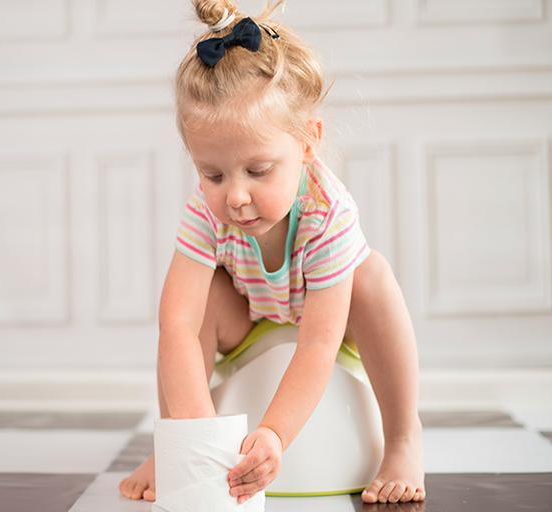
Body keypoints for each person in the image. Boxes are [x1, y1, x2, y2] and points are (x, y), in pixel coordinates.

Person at [119, 0, 425, 505]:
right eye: (212, 174)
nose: (234, 196)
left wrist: (275, 434)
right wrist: (193, 437)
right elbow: (175, 324)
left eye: (258, 171)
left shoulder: (327, 213)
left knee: (372, 276)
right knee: (192, 307)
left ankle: (403, 438)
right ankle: (164, 444)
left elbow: (317, 346)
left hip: (329, 326)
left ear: (309, 143)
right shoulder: (206, 211)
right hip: (248, 324)